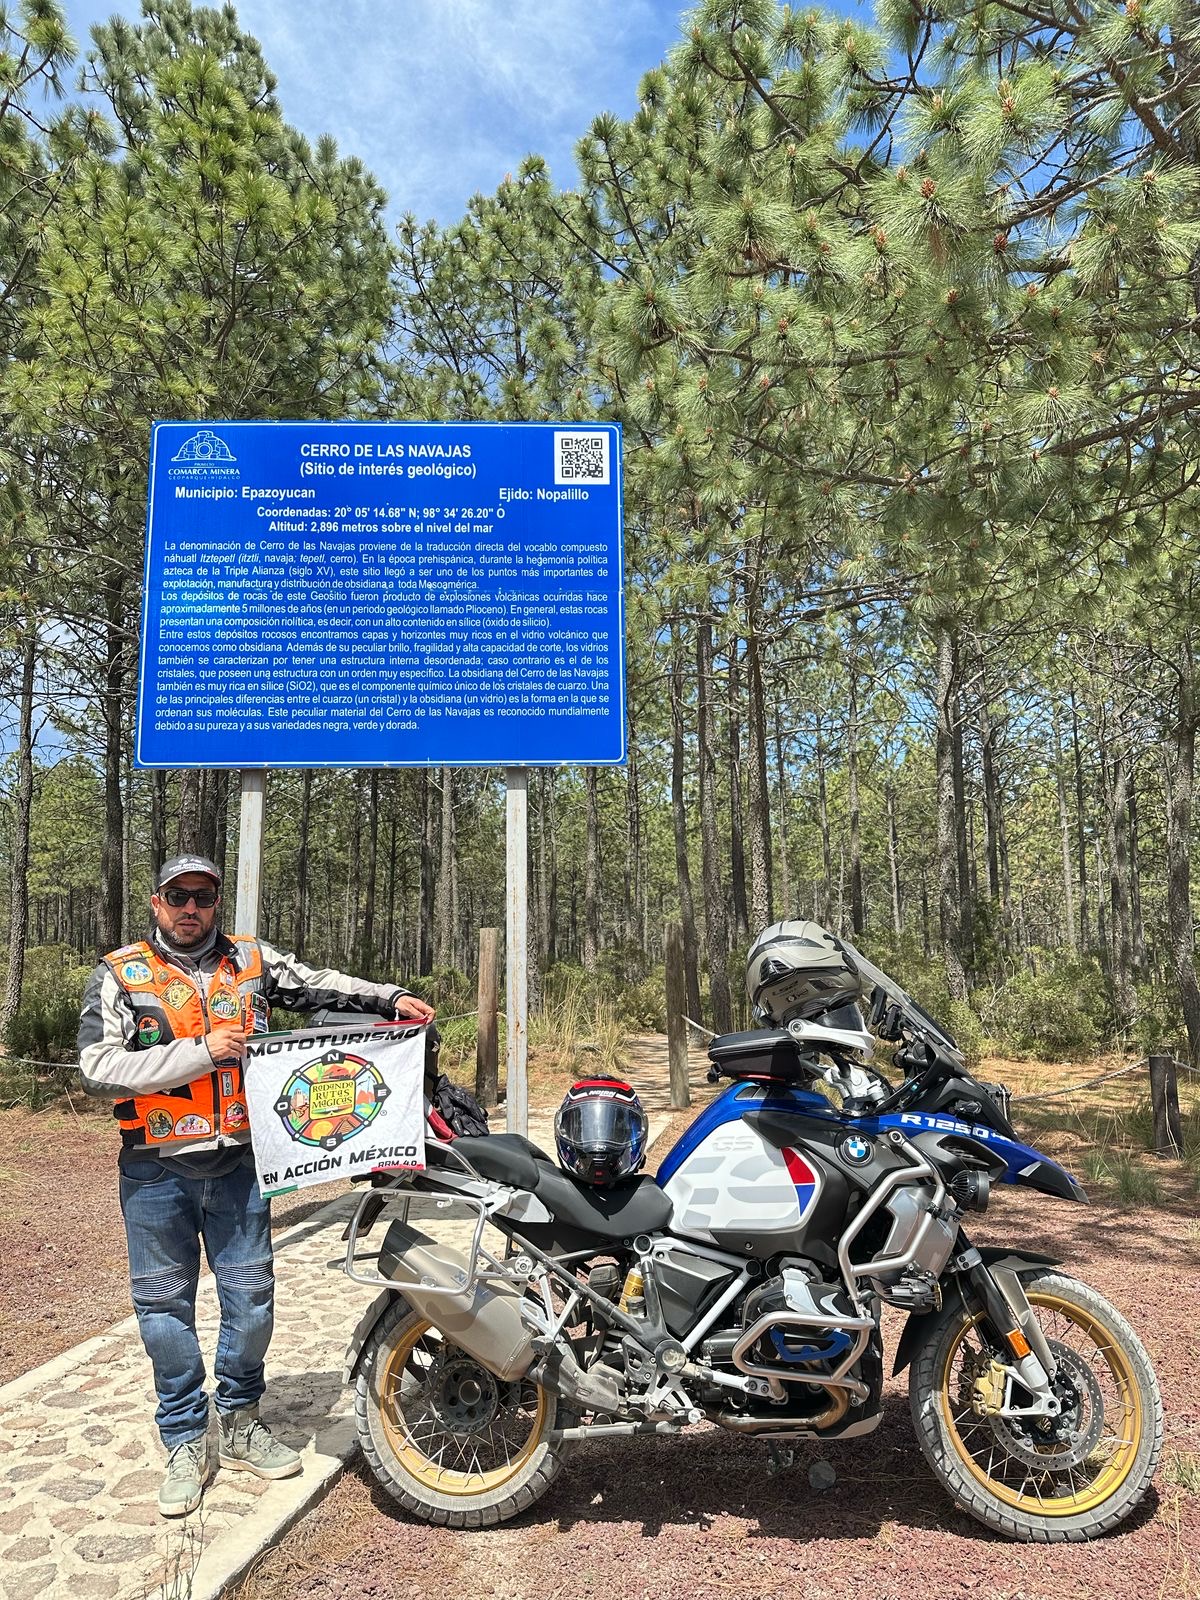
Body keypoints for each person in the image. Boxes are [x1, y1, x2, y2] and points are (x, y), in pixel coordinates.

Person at [77, 853, 435, 1518]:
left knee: (252, 1299)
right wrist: (199, 1052)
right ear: (156, 903)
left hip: (242, 1164)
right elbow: (96, 1066)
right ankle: (185, 1436)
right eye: (178, 896)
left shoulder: (251, 959)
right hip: (155, 1168)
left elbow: (320, 985)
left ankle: (239, 1420)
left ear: (217, 904)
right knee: (163, 1311)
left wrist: (388, 998)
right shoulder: (122, 972)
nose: (191, 908)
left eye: (203, 897)